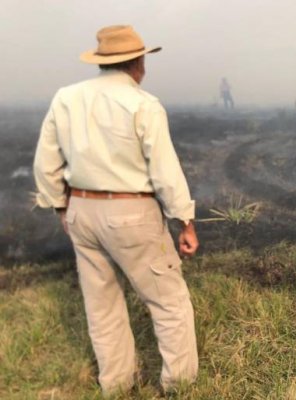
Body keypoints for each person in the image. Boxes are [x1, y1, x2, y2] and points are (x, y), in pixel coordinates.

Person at [33, 25, 199, 396]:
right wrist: (185, 221)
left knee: (102, 305)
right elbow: (166, 173)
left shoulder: (65, 98)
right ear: (138, 62)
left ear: (103, 62)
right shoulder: (143, 104)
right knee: (169, 302)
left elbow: (45, 165)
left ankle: (116, 385)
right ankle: (180, 386)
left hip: (81, 210)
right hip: (132, 213)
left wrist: (61, 207)